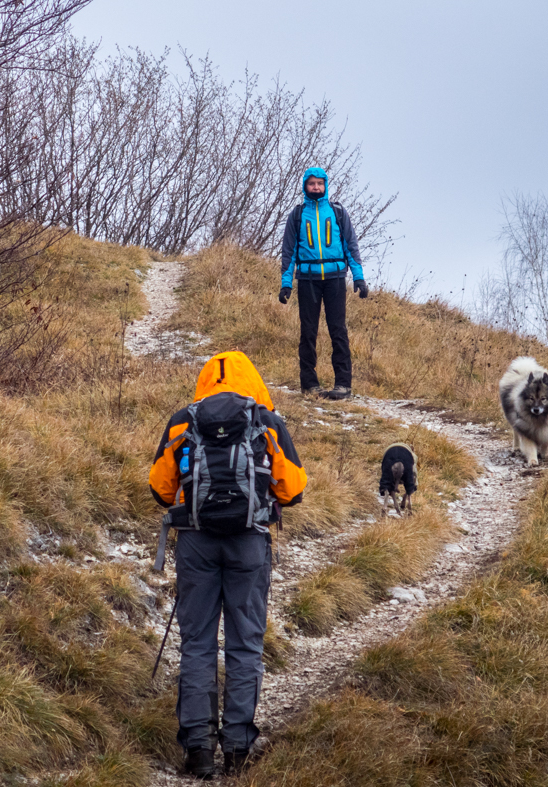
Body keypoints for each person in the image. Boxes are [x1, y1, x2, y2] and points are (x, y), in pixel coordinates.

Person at [149, 350, 307, 779]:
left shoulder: (185, 420)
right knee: (245, 644)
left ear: (206, 379)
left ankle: (198, 749)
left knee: (197, 643)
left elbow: (160, 490)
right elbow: (292, 490)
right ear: (251, 379)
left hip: (196, 543)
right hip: (249, 545)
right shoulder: (266, 421)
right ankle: (238, 749)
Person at [278, 166, 368, 400]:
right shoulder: (296, 216)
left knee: (338, 330)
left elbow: (351, 245)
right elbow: (289, 252)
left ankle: (343, 385)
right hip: (307, 280)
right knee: (308, 332)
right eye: (312, 183)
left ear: (325, 185)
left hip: (336, 279)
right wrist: (286, 283)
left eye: (320, 183)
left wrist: (358, 277)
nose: (316, 187)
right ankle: (309, 385)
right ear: (305, 186)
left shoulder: (338, 212)